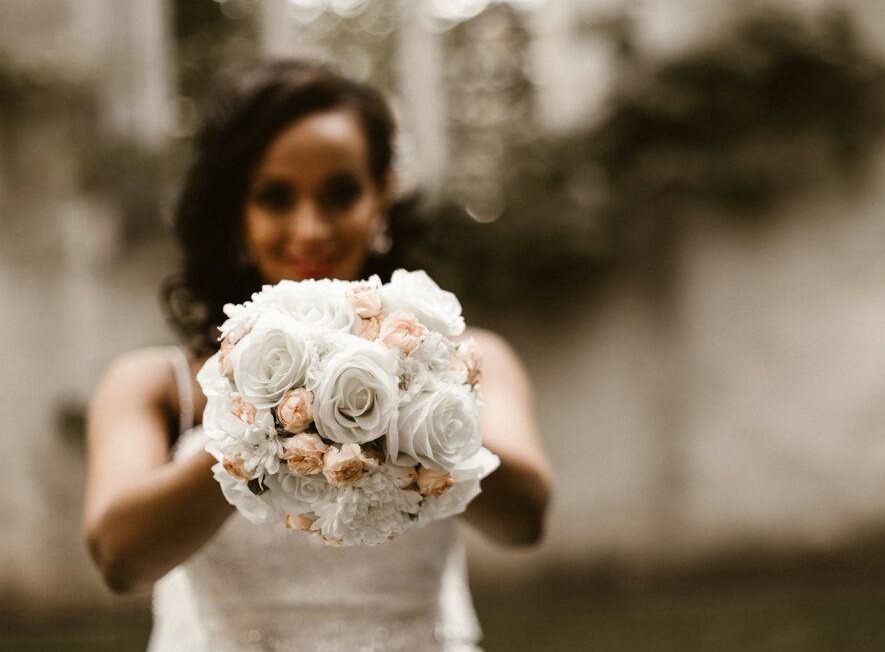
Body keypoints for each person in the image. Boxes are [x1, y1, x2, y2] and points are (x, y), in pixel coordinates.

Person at [82, 60, 552, 651]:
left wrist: (412, 401)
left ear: (382, 193)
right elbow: (119, 560)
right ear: (237, 211)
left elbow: (525, 520)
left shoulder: (467, 357)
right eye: (275, 197)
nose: (310, 229)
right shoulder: (155, 384)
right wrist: (267, 420)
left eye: (340, 193)